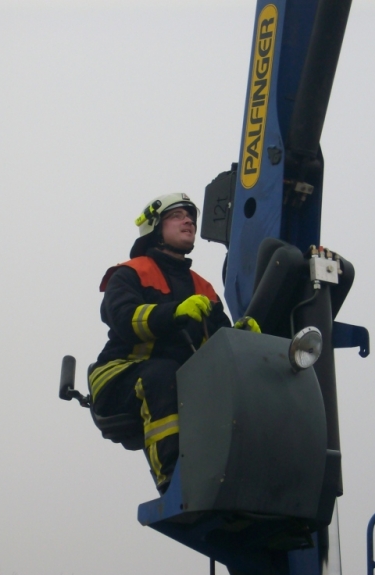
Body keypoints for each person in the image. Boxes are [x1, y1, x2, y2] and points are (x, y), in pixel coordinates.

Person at [90, 193, 259, 494]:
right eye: (177, 215)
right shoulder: (130, 273)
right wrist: (174, 313)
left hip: (177, 383)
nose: (189, 221)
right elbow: (123, 318)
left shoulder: (202, 287)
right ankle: (173, 481)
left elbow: (220, 344)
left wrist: (241, 336)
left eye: (190, 216)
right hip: (118, 377)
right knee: (163, 374)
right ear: (155, 227)